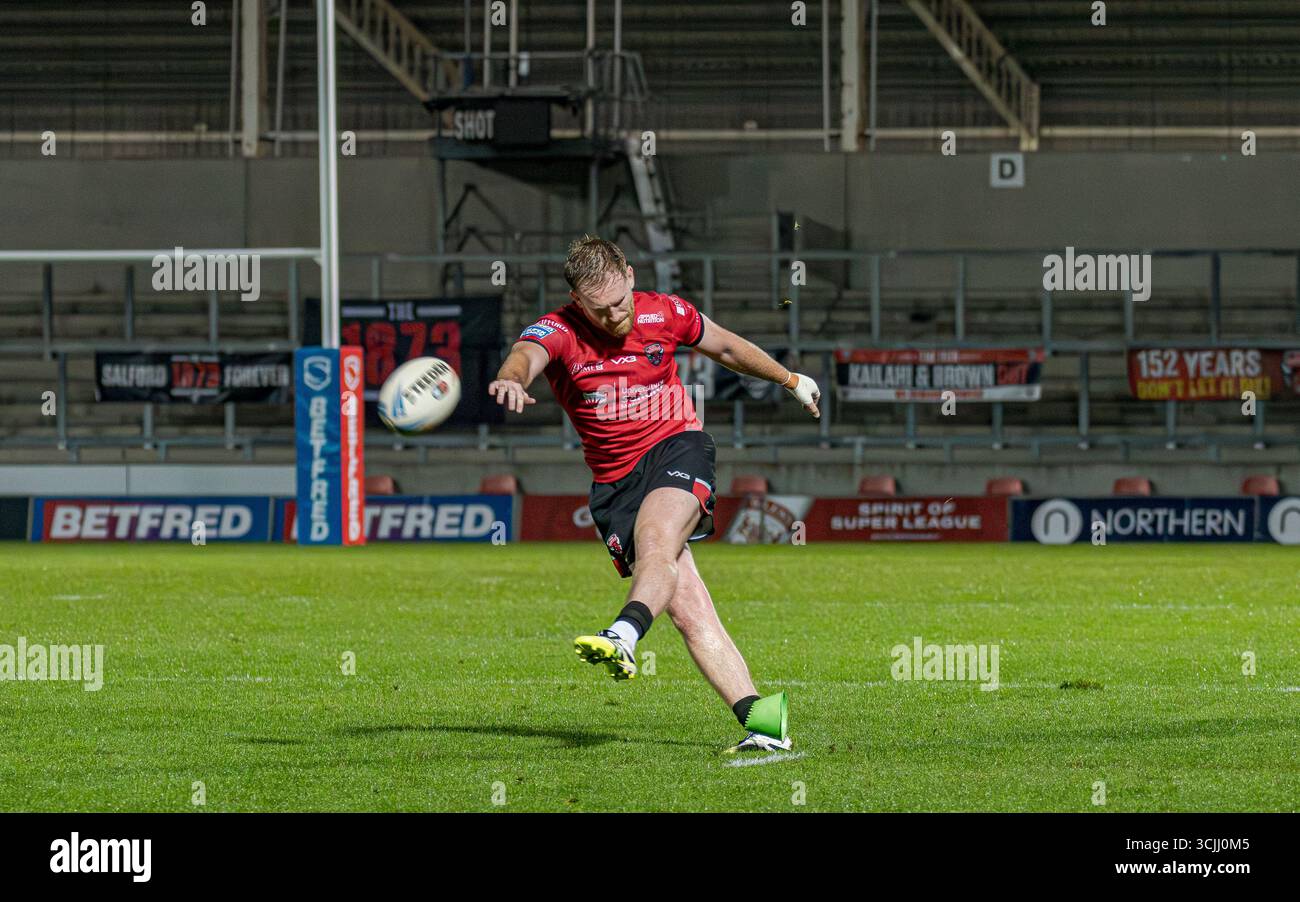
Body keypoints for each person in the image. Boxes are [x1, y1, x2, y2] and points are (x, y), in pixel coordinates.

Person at [488, 236, 820, 752]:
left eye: (621, 299)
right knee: (688, 609)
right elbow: (524, 356)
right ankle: (766, 723)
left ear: (630, 275)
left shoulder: (664, 312)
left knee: (657, 538)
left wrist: (789, 378)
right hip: (614, 483)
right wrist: (510, 379)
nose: (616, 314)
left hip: (677, 448)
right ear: (578, 301)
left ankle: (623, 633)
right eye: (601, 308)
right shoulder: (560, 330)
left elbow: (728, 347)